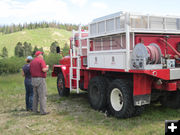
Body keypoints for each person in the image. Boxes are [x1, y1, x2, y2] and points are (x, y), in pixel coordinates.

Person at [30, 51, 49, 115]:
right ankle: (43, 111)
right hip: (40, 79)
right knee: (42, 95)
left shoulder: (32, 61)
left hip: (33, 79)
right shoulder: (41, 61)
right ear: (39, 55)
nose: (42, 56)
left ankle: (34, 110)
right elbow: (44, 70)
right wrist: (47, 68)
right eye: (42, 54)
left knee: (35, 96)